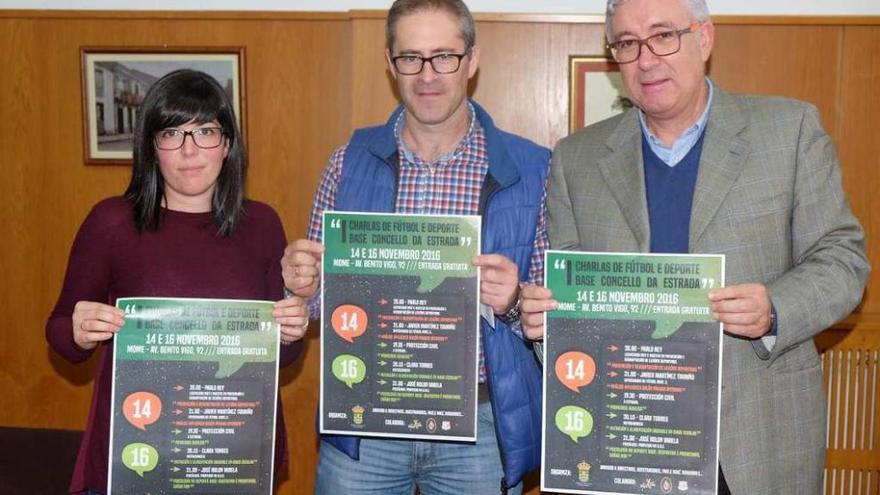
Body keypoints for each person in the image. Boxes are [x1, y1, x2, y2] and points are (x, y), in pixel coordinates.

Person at [521, 0, 870, 493]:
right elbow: (574, 300)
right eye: (627, 43)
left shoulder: (788, 131)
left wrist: (774, 308)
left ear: (704, 39)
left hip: (754, 439)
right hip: (627, 436)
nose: (645, 59)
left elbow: (843, 259)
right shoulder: (575, 159)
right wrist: (547, 322)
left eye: (663, 36)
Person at [280, 1, 550, 493]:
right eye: (411, 58)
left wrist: (514, 301)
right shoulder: (347, 163)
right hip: (365, 421)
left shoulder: (534, 170)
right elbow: (317, 299)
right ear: (390, 63)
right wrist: (303, 284)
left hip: (481, 426)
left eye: (444, 56)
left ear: (472, 61)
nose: (427, 74)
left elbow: (554, 316)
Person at [46, 69, 308, 495]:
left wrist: (293, 331)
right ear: (152, 146)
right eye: (172, 133)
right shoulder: (112, 221)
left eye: (205, 131)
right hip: (136, 453)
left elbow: (283, 353)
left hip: (230, 454)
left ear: (226, 144)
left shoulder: (262, 224)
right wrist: (78, 331)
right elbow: (60, 334)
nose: (190, 150)